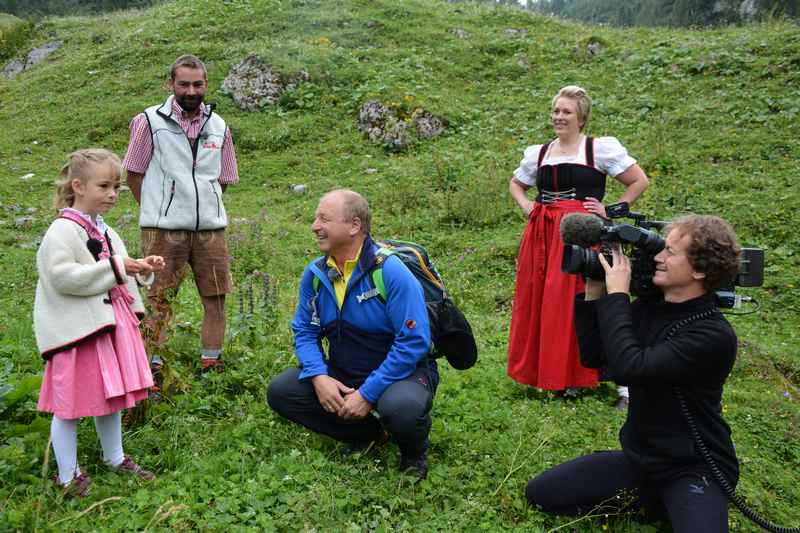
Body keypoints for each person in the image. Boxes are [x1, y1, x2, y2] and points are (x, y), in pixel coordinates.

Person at [525, 215, 742, 533]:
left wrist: (617, 296)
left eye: (670, 252)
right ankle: (655, 500)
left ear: (699, 270)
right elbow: (597, 358)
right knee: (541, 494)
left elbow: (631, 368)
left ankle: (673, 500)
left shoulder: (712, 334)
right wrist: (597, 289)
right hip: (642, 461)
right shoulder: (651, 309)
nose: (658, 257)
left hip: (696, 468)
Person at [267, 189, 437, 479]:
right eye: (315, 218)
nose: (314, 226)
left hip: (402, 372)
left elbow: (413, 342)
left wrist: (368, 394)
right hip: (346, 370)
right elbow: (305, 331)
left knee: (400, 408)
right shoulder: (317, 273)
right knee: (282, 391)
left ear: (354, 226)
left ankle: (413, 453)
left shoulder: (390, 271)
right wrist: (318, 376)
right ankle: (370, 434)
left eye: (324, 218)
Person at [507, 85, 649, 405]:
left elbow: (638, 180)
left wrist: (611, 211)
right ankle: (555, 375)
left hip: (583, 233)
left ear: (581, 117)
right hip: (542, 234)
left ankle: (619, 383)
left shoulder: (598, 149)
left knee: (586, 299)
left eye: (566, 111)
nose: (559, 117)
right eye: (556, 110)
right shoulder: (540, 152)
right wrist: (529, 207)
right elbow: (517, 184)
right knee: (543, 301)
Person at [35, 149, 165, 497]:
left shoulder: (103, 230)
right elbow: (63, 277)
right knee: (69, 404)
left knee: (112, 395)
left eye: (117, 187)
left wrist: (140, 268)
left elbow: (119, 269)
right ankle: (66, 474)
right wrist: (120, 267)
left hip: (109, 327)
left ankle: (115, 457)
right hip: (79, 334)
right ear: (78, 185)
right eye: (104, 186)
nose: (112, 194)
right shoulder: (62, 231)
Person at [122, 54, 239, 375]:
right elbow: (134, 172)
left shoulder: (220, 126)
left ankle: (211, 363)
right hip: (163, 229)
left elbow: (225, 178)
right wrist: (157, 208)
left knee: (216, 297)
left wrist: (205, 206)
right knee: (159, 298)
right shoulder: (148, 121)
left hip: (210, 230)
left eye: (197, 84)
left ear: (206, 84)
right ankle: (153, 369)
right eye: (183, 84)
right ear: (170, 84)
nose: (191, 90)